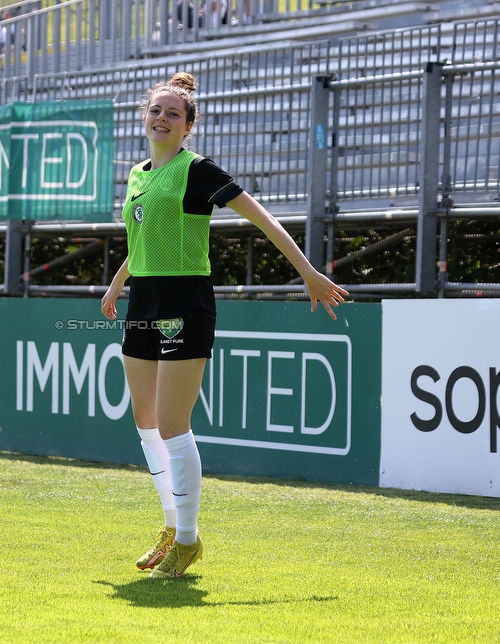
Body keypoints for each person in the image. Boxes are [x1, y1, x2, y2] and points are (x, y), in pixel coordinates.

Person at [100, 72, 348, 579]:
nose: (162, 119)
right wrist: (117, 283)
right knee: (144, 422)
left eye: (173, 113)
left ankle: (188, 541)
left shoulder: (198, 171)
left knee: (172, 425)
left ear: (189, 126)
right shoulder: (138, 173)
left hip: (185, 300)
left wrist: (308, 273)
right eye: (156, 111)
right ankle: (171, 528)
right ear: (143, 117)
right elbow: (142, 237)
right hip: (143, 300)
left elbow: (263, 219)